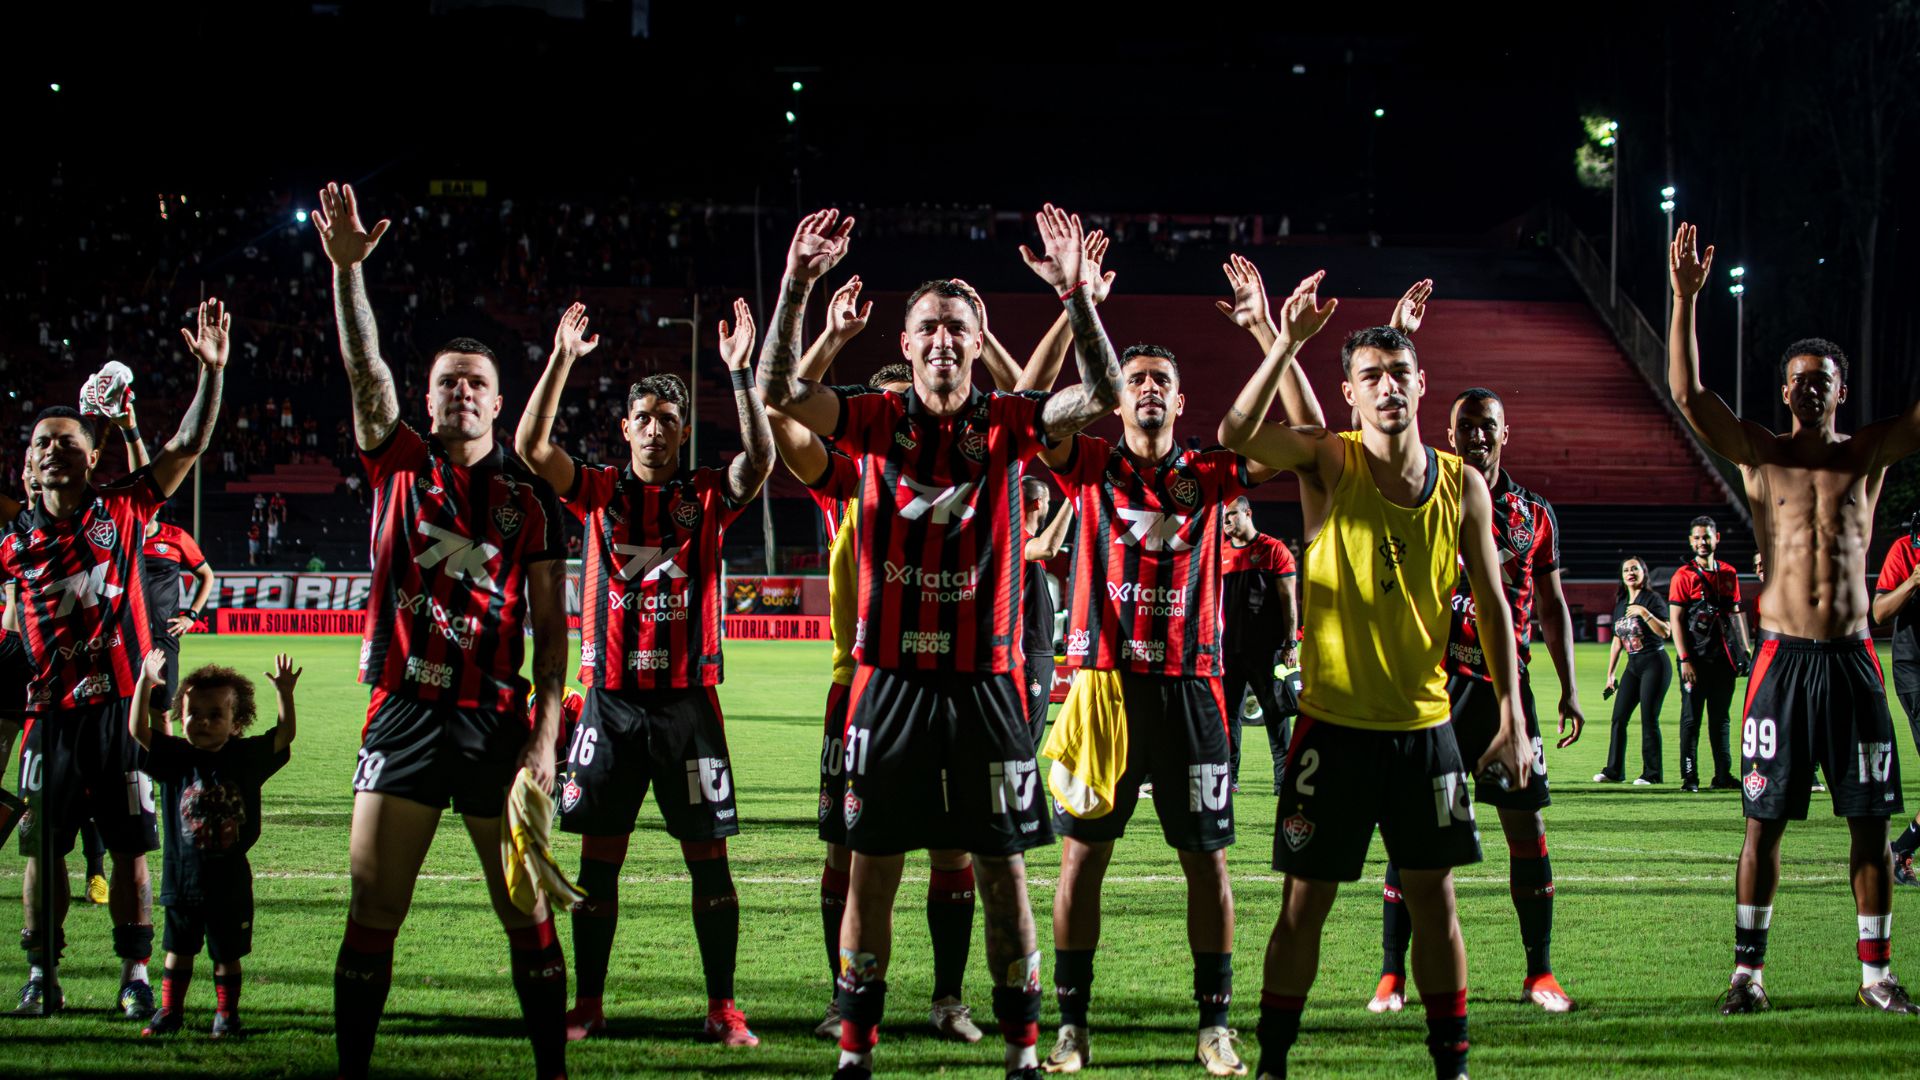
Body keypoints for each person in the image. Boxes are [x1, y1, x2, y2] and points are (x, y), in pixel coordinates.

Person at [759, 204, 1122, 1080]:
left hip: (990, 688)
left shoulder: (1008, 422)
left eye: (959, 327)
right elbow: (777, 394)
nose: (943, 341)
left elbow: (1103, 395)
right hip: (889, 686)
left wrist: (1075, 295)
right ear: (908, 342)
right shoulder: (875, 422)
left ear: (978, 339)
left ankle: (1023, 1050)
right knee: (872, 873)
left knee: (1003, 875)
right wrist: (797, 284)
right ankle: (855, 1046)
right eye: (928, 328)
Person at [1217, 266, 1532, 1080]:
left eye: (1399, 374)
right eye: (1370, 377)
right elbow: (1235, 434)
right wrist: (1280, 336)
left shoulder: (1463, 486)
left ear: (1421, 382)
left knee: (1437, 906)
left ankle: (1451, 1065)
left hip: (1425, 732)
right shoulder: (1327, 459)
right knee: (1303, 908)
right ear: (1348, 393)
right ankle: (1274, 1063)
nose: (1387, 387)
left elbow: (1494, 605)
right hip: (1333, 731)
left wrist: (1513, 717)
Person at [312, 181, 574, 1078]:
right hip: (404, 715)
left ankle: (552, 1072)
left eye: (477, 383)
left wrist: (544, 742)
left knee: (525, 912)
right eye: (447, 382)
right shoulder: (397, 461)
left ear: (499, 404)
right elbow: (364, 370)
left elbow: (552, 635)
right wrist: (350, 276)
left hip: (496, 726)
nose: (461, 391)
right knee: (372, 909)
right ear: (428, 401)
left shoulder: (529, 506)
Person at [1668, 222, 1917, 1015]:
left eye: (1826, 379)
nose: (1812, 388)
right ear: (1784, 390)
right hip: (1781, 661)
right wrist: (1683, 301)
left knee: (1870, 825)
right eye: (1801, 379)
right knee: (1762, 825)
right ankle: (1748, 973)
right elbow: (1687, 397)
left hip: (1851, 660)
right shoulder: (1761, 454)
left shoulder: (1866, 456)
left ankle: (1876, 974)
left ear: (1842, 390)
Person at [513, 296, 772, 1047]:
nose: (655, 429)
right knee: (599, 861)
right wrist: (563, 357)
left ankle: (723, 1007)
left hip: (690, 706)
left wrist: (741, 374)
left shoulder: (703, 497)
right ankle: (588, 1005)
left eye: (668, 418)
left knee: (708, 864)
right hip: (610, 707)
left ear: (683, 430)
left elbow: (759, 462)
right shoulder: (596, 491)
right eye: (644, 418)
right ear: (624, 428)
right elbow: (532, 446)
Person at [1038, 329, 1279, 1076]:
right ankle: (1072, 1025)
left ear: (1179, 399)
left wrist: (1277, 342)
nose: (1146, 389)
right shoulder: (1092, 465)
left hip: (1192, 694)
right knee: (1082, 859)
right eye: (1134, 379)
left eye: (1159, 381)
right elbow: (1045, 423)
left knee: (1206, 864)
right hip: (1104, 691)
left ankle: (1215, 1025)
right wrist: (1079, 309)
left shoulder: (1211, 472)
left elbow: (1283, 448)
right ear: (1118, 396)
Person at [5, 298, 227, 1020]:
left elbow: (186, 447)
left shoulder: (125, 510)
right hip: (49, 717)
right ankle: (42, 973)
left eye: (69, 441)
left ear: (94, 457)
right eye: (42, 442)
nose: (54, 450)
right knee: (43, 851)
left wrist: (211, 376)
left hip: (124, 713)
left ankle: (134, 973)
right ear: (25, 463)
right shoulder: (9, 549)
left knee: (131, 848)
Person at [1371, 375, 1586, 1018]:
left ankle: (1540, 973)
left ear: (1503, 434)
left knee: (1526, 825)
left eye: (1488, 424)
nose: (1477, 434)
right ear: (1450, 433)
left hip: (1503, 690)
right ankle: (1390, 976)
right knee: (1414, 831)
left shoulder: (1535, 515)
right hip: (1433, 687)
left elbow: (1550, 605)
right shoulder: (1428, 494)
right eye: (1466, 424)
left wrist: (1570, 689)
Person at [131, 650, 297, 1039]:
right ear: (180, 714)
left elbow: (284, 735)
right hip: (182, 881)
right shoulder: (176, 758)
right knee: (178, 951)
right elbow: (139, 731)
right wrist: (144, 683)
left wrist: (284, 693)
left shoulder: (245, 757)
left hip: (230, 882)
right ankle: (169, 1012)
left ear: (236, 722)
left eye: (215, 715)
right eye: (194, 713)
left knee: (227, 956)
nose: (202, 722)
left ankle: (226, 1017)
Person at [1220, 497, 1297, 792]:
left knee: (1276, 713)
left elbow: (1289, 599)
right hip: (1229, 650)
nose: (1226, 522)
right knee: (1228, 716)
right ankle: (1229, 778)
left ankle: (1284, 780)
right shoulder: (1220, 553)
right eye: (1223, 518)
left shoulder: (1273, 549)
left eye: (1231, 516)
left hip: (1267, 650)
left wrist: (1290, 644)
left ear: (1248, 513)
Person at [1669, 514, 1750, 792]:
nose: (1702, 542)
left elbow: (1737, 613)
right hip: (1695, 660)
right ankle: (1690, 777)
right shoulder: (1683, 575)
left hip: (1724, 660)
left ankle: (1723, 776)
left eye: (1707, 536)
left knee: (1721, 718)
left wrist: (1745, 648)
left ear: (1717, 538)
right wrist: (1684, 659)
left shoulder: (1729, 573)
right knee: (1691, 719)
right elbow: (1676, 620)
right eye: (1697, 537)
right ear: (1690, 542)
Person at [1872, 512, 1920, 885]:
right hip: (1915, 667)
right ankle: (1900, 850)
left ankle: (1900, 849)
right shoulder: (1904, 551)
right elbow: (1879, 612)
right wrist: (1914, 581)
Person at [1597, 557, 1672, 785]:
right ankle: (1614, 771)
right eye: (1626, 570)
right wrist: (1610, 673)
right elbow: (1617, 641)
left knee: (1649, 718)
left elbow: (1666, 631)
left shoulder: (1652, 599)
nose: (1630, 572)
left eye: (1635, 569)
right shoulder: (1621, 603)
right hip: (1633, 665)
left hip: (1655, 663)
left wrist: (1644, 612)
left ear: (1644, 572)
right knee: (1618, 718)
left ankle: (1652, 774)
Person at [1020, 477, 1073, 749]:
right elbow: (1049, 547)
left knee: (1027, 738)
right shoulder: (1016, 537)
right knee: (1024, 742)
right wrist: (1073, 498)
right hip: (1027, 653)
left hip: (1036, 652)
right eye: (1049, 503)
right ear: (1038, 503)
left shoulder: (1024, 540)